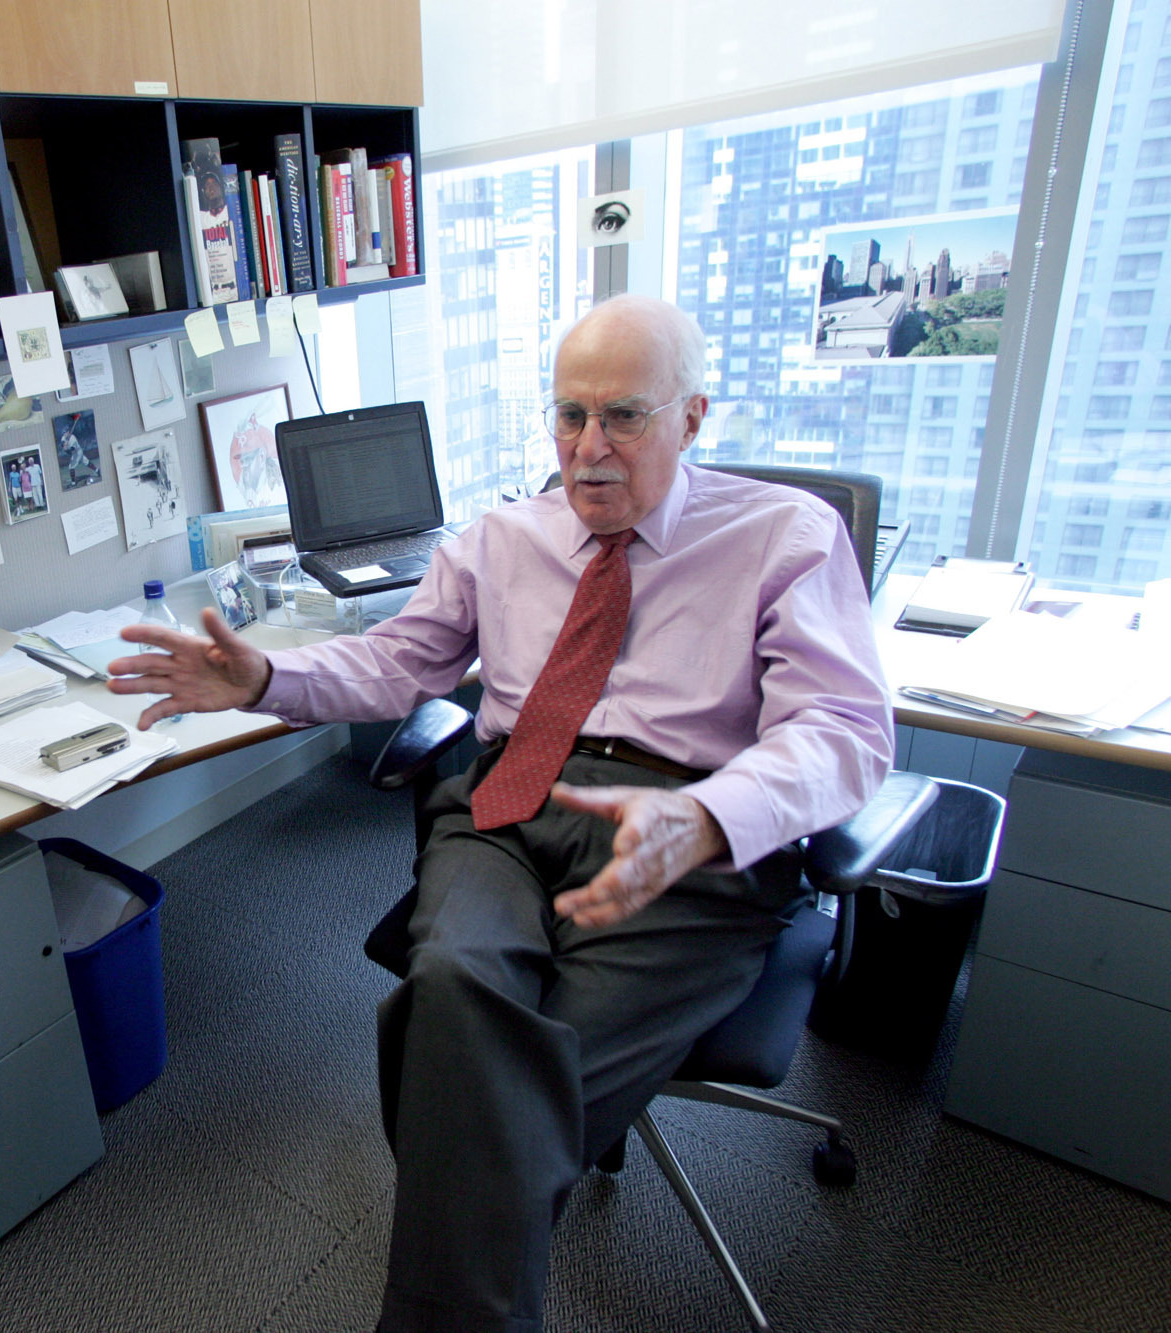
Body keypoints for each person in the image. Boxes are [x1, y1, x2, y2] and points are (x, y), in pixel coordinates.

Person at [106, 294, 893, 1333]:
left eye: (622, 417)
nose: (587, 449)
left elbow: (841, 728)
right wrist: (266, 681)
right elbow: (398, 661)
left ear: (691, 418)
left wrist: (709, 816)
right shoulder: (499, 537)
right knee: (454, 983)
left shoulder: (783, 534)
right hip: (505, 802)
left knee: (457, 1058)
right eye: (567, 415)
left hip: (681, 832)